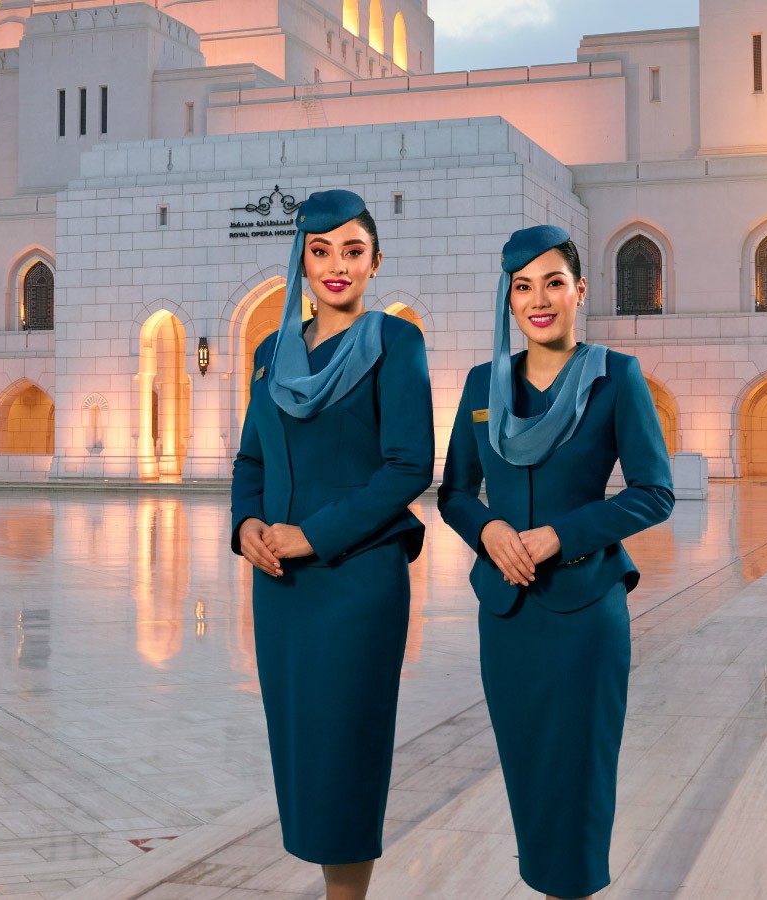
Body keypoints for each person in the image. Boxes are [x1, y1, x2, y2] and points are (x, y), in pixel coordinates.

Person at [437, 225, 674, 900]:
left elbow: (653, 493)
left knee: (578, 778)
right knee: (530, 776)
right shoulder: (485, 383)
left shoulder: (615, 376)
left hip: (584, 612)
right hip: (506, 616)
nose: (538, 300)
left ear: (580, 292)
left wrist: (555, 538)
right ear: (508, 300)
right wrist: (489, 534)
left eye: (552, 283)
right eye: (522, 287)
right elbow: (454, 492)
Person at [230, 189, 434, 900]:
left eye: (353, 250)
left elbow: (410, 465)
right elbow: (251, 459)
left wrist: (312, 535)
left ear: (375, 261)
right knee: (307, 747)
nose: (336, 265)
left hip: (355, 580)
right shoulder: (270, 352)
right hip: (281, 586)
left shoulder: (393, 343)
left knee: (346, 747)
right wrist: (247, 527)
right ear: (302, 259)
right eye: (321, 251)